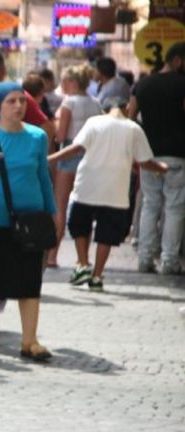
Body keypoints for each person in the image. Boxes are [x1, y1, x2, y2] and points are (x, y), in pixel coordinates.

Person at [0, 82, 55, 361]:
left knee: (29, 281)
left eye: (22, 101)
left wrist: (52, 215)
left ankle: (30, 340)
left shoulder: (37, 137)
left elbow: (43, 177)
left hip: (29, 222)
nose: (19, 106)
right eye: (11, 101)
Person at [48, 97, 168, 291]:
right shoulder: (134, 128)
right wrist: (162, 168)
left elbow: (76, 148)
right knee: (106, 234)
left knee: (80, 226)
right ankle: (96, 276)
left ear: (104, 110)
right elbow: (145, 161)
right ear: (126, 108)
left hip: (87, 184)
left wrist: (51, 158)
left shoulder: (94, 122)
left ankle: (82, 264)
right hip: (116, 189)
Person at [128, 42, 185, 275]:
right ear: (178, 60)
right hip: (178, 155)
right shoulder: (182, 84)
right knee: (174, 208)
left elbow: (130, 119)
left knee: (150, 205)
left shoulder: (142, 84)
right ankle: (170, 261)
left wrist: (133, 154)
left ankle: (145, 259)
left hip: (148, 155)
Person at [45, 64, 103, 268]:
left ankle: (52, 255)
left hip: (69, 153)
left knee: (60, 206)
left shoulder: (69, 102)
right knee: (85, 206)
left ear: (73, 82)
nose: (62, 85)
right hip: (90, 155)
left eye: (65, 81)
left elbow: (60, 135)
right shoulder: (96, 104)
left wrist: (53, 126)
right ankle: (83, 258)